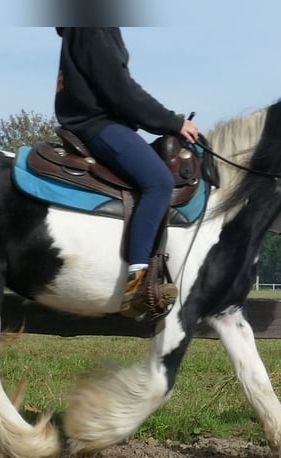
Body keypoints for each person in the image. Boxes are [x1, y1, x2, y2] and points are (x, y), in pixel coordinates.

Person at [54, 27, 200, 314]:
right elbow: (120, 90)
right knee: (158, 181)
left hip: (95, 121)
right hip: (98, 124)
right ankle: (137, 285)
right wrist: (172, 122)